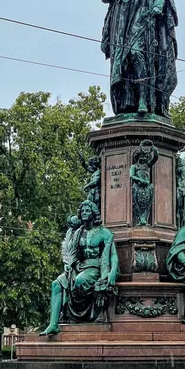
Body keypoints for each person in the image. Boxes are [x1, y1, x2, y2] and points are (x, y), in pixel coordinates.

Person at [101, 0, 178, 117]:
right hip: (121, 23)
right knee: (124, 61)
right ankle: (128, 103)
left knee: (137, 53)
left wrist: (158, 6)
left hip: (142, 19)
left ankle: (144, 99)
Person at [40, 200, 119, 335]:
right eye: (82, 211)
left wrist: (112, 272)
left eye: (87, 211)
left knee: (80, 281)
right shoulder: (78, 233)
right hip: (78, 266)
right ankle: (53, 324)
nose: (84, 213)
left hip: (94, 267)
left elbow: (113, 255)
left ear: (94, 214)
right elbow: (71, 253)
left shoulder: (103, 233)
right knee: (56, 284)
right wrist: (68, 264)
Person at [130, 140, 159, 226]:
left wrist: (154, 149)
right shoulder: (134, 166)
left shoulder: (148, 165)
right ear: (138, 157)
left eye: (145, 156)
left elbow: (156, 157)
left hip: (147, 187)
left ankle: (144, 218)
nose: (144, 157)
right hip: (137, 186)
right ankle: (140, 218)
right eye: (142, 156)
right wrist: (140, 179)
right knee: (137, 203)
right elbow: (132, 176)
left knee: (147, 204)